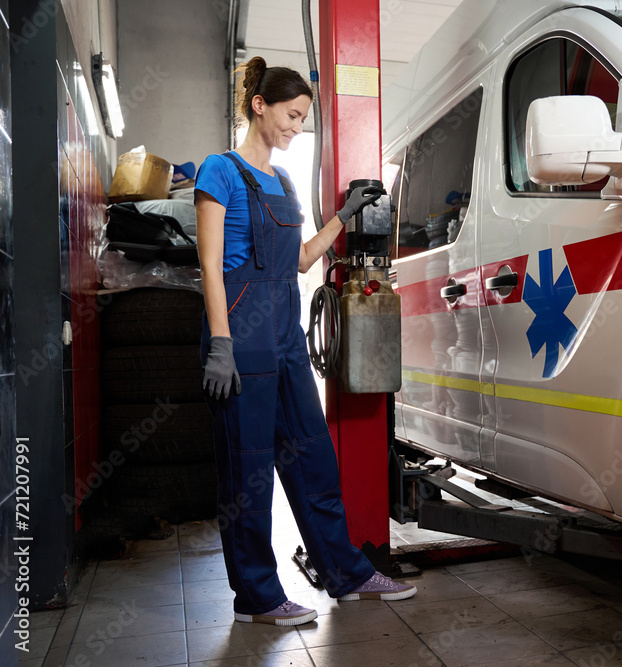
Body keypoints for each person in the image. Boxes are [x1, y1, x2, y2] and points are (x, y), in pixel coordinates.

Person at [195, 56, 415, 627]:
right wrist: (220, 342)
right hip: (241, 337)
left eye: (303, 119)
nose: (296, 127)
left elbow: (295, 260)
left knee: (313, 457)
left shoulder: (284, 181)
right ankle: (258, 598)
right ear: (259, 106)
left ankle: (346, 573)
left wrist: (342, 217)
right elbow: (212, 268)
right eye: (291, 115)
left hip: (287, 338)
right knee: (247, 472)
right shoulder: (219, 171)